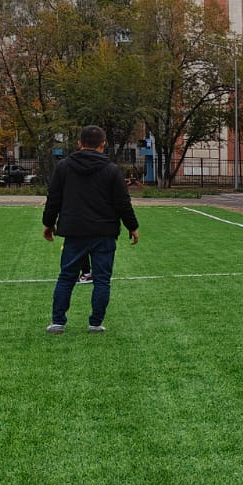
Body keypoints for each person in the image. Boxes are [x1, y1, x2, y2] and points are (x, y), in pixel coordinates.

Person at [42, 124, 139, 334]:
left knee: (67, 276)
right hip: (104, 233)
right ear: (103, 144)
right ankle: (95, 323)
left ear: (79, 143)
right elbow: (123, 202)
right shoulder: (111, 170)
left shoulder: (64, 167)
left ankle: (58, 322)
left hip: (74, 231)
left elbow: (54, 199)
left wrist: (48, 223)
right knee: (102, 279)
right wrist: (132, 226)